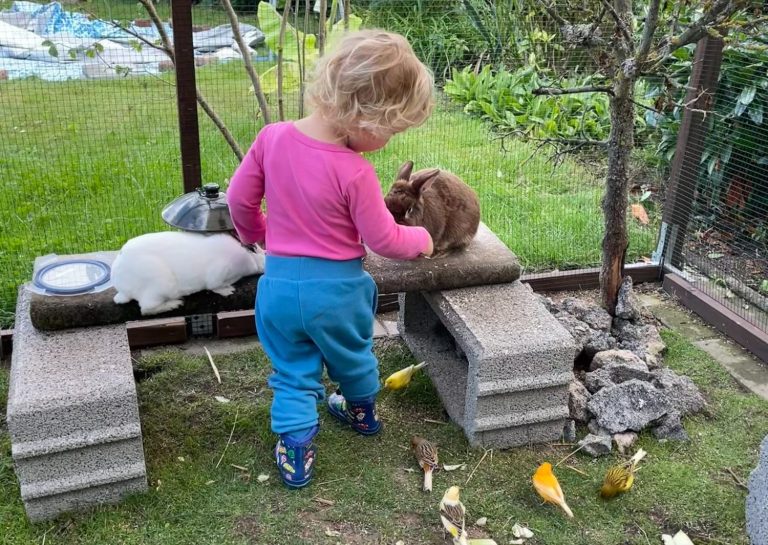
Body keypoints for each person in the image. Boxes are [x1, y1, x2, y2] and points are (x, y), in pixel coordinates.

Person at [227, 29, 435, 489]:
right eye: (391, 130)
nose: (389, 139)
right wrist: (420, 238)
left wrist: (259, 235)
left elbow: (240, 201)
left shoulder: (271, 138)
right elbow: (382, 238)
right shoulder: (354, 170)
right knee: (352, 354)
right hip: (339, 293)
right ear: (365, 117)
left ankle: (296, 448)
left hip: (279, 289)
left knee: (293, 368)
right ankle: (360, 411)